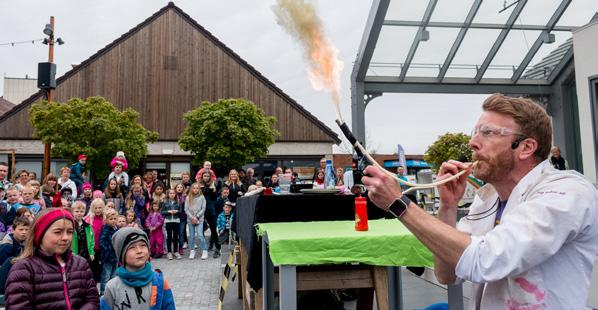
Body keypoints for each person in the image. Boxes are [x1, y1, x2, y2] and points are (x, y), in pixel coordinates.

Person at [362, 94, 598, 308]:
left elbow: (486, 259)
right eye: (475, 132)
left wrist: (398, 204)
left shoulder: (567, 193)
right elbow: (448, 274)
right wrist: (448, 207)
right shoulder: (488, 198)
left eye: (488, 132)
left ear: (526, 147)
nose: (473, 142)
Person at [5, 208, 99, 308]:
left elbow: (92, 300)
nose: (66, 237)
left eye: (70, 232)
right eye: (58, 232)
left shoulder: (81, 264)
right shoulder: (24, 269)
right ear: (40, 234)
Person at [100, 227, 175, 310]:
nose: (139, 251)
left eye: (143, 245)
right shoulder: (112, 287)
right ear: (122, 254)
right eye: (132, 247)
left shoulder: (159, 281)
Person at [199, 170, 221, 258]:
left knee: (213, 230)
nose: (206, 178)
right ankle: (204, 248)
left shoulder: (213, 185)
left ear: (210, 177)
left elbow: (215, 198)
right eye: (205, 176)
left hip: (211, 210)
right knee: (201, 230)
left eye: (208, 176)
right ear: (202, 177)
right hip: (200, 210)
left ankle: (217, 248)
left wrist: (213, 190)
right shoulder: (199, 186)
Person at [185, 183, 207, 260]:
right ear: (191, 189)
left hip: (199, 219)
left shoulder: (202, 197)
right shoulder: (188, 198)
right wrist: (192, 218)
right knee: (191, 236)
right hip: (190, 220)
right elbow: (186, 209)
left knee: (200, 235)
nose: (195, 190)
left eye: (197, 188)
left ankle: (204, 250)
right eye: (194, 188)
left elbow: (203, 209)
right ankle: (192, 251)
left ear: (199, 189)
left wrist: (197, 216)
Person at [99, 208, 119, 295]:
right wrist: (108, 252)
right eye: (111, 219)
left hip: (115, 256)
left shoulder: (116, 228)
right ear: (106, 220)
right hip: (107, 257)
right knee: (106, 276)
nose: (113, 221)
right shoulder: (106, 229)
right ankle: (103, 293)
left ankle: (112, 292)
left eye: (115, 219)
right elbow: (102, 242)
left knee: (114, 275)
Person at [85, 198, 105, 283]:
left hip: (102, 245)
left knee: (100, 264)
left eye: (100, 208)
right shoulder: (88, 218)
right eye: (96, 208)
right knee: (93, 264)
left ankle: (99, 279)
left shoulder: (105, 218)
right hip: (92, 246)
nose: (98, 210)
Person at [71, 201, 95, 266]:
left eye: (81, 211)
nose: (79, 213)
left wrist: (91, 253)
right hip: (74, 254)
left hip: (85, 254)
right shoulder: (70, 225)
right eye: (77, 211)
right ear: (72, 212)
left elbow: (92, 241)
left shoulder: (88, 226)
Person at [161, 188, 181, 260]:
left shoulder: (178, 202)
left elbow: (181, 211)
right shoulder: (165, 202)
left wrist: (176, 211)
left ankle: (176, 251)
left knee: (176, 236)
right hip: (168, 221)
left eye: (173, 193)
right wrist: (169, 212)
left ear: (175, 194)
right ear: (168, 194)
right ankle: (169, 252)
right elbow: (162, 212)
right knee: (169, 236)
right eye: (170, 193)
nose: (172, 194)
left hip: (176, 221)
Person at [175, 183, 188, 254]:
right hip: (174, 217)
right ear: (176, 188)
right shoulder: (173, 196)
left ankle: (180, 248)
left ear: (183, 189)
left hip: (183, 217)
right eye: (178, 187)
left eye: (181, 187)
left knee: (181, 233)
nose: (179, 188)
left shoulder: (185, 197)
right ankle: (175, 248)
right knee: (175, 233)